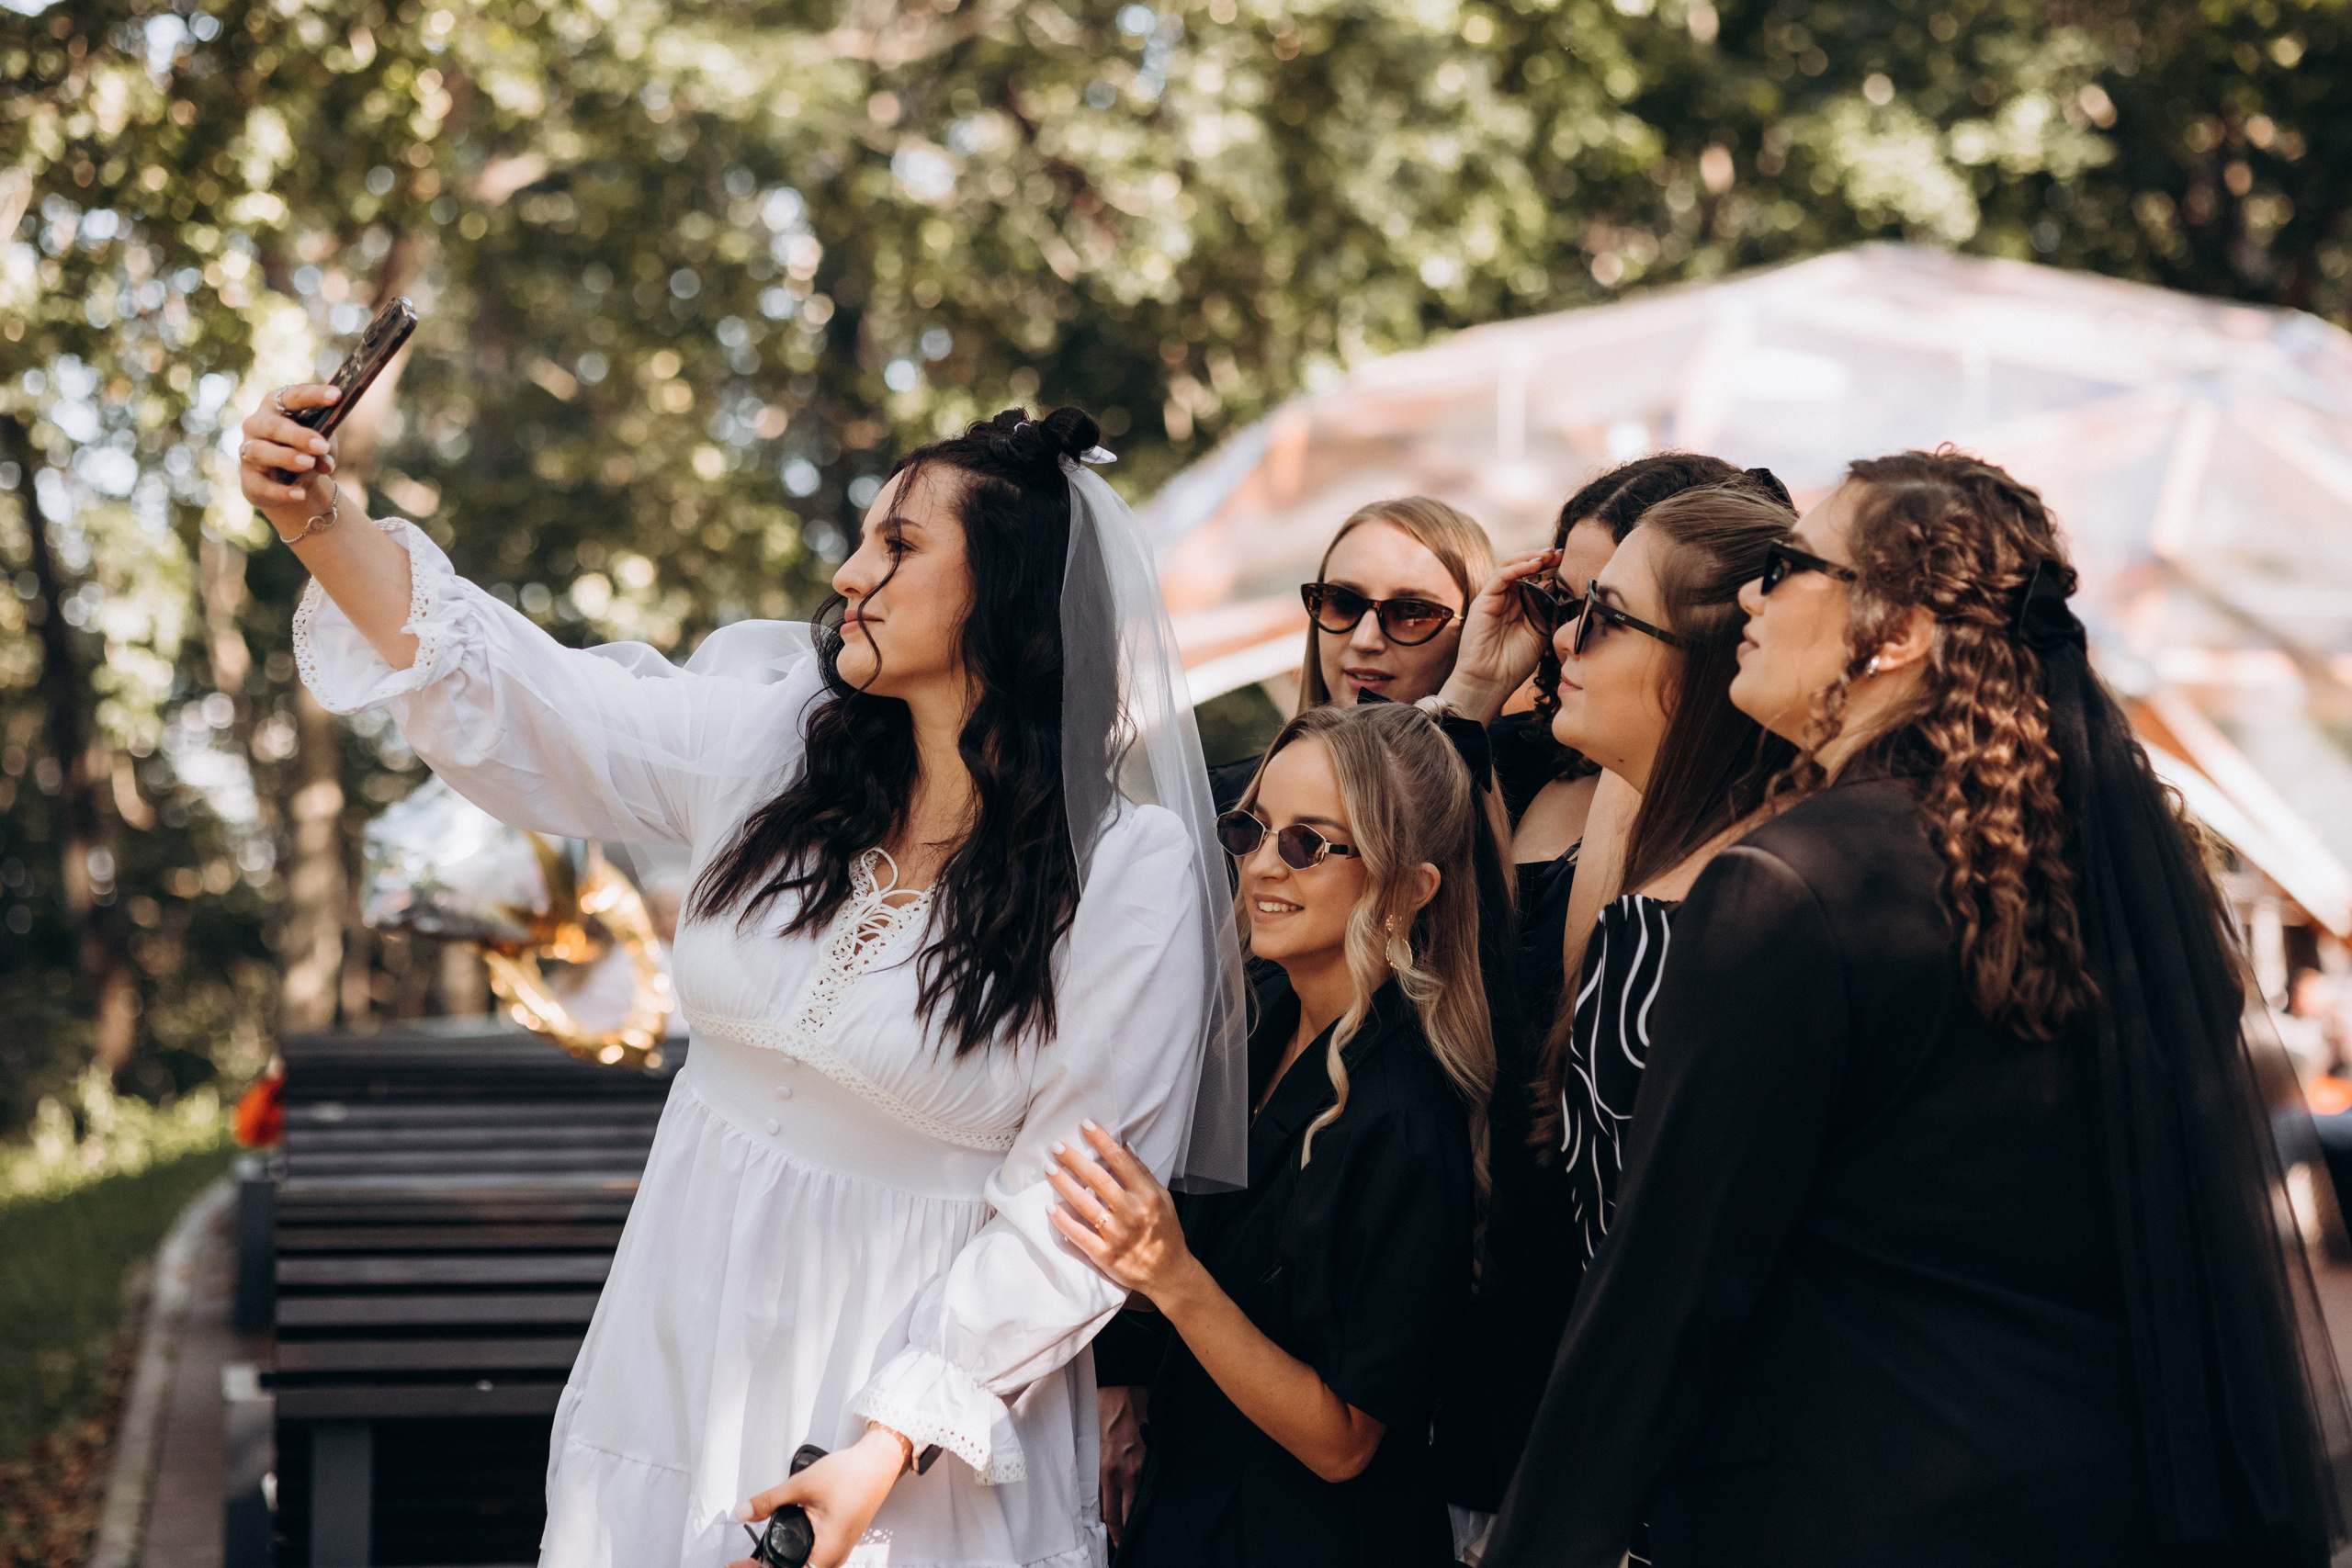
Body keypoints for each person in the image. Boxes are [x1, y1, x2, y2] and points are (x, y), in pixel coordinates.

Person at [239, 392, 1247, 1568]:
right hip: (676, 1353)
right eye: (865, 535)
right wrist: (319, 522)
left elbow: (1071, 1212)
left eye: (899, 545)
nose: (850, 570)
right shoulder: (782, 754)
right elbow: (533, 696)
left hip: (916, 1429)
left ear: (1009, 596)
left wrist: (882, 1447)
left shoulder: (1125, 874)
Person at [1485, 449, 2351, 1567]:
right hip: (2100, 1500)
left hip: (1845, 1507)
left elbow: (1667, 1287)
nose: (1753, 593)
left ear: (1890, 634)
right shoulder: (2085, 872)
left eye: (1791, 567)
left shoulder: (1788, 884)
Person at [1427, 458, 1791, 1540]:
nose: (1565, 642)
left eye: (1602, 613)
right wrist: (1475, 694)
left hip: (1659, 1432)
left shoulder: (1729, 896)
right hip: (1500, 1309)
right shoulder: (1524, 765)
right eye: (1560, 603)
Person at [1057, 701, 1494, 1568]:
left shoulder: (1409, 1116)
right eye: (1251, 828)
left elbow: (1344, 1440)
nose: (1260, 864)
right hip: (1192, 1509)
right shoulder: (1258, 1034)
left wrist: (1172, 1277)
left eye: (1307, 843)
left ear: (1409, 888)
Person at [1205, 497, 1495, 812]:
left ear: (1474, 629)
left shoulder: (1526, 789)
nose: (1364, 639)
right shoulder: (1224, 803)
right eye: (1341, 603)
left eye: (1411, 612)